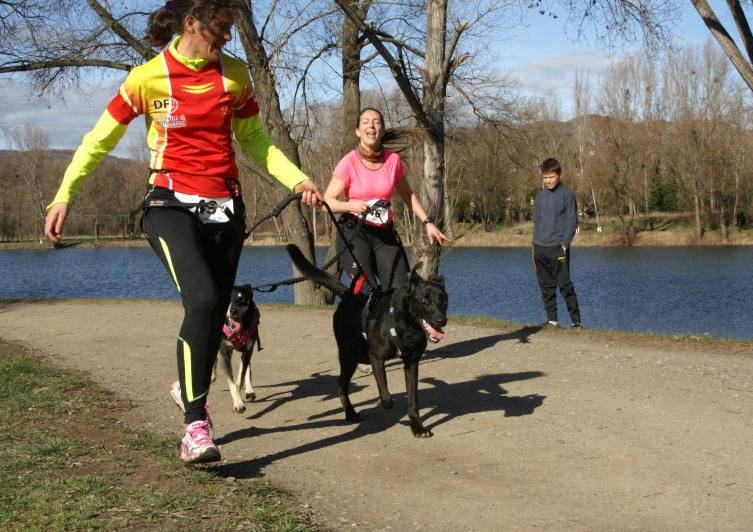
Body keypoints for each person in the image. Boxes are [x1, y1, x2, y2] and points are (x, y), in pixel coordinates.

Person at [43, 0, 322, 464]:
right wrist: (64, 192)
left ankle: (185, 382)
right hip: (168, 203)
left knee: (212, 317)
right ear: (191, 23)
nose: (228, 38)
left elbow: (254, 138)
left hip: (224, 206)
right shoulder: (146, 78)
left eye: (232, 28)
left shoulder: (235, 75)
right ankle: (196, 425)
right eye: (221, 29)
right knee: (205, 301)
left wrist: (297, 178)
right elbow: (99, 140)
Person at [323, 108, 451, 293]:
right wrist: (352, 206)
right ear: (358, 131)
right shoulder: (349, 162)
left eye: (376, 122)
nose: (371, 125)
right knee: (367, 292)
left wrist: (428, 222)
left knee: (400, 293)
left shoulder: (393, 161)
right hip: (355, 232)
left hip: (384, 234)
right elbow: (328, 202)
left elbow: (407, 194)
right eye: (365, 122)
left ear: (382, 130)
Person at [532, 157, 582, 329]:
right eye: (545, 177)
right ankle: (552, 320)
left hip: (558, 248)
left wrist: (564, 244)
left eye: (551, 177)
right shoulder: (539, 197)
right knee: (546, 286)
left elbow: (572, 222)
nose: (548, 181)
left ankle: (576, 322)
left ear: (560, 175)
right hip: (540, 247)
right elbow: (537, 221)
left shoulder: (568, 196)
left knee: (565, 285)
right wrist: (535, 242)